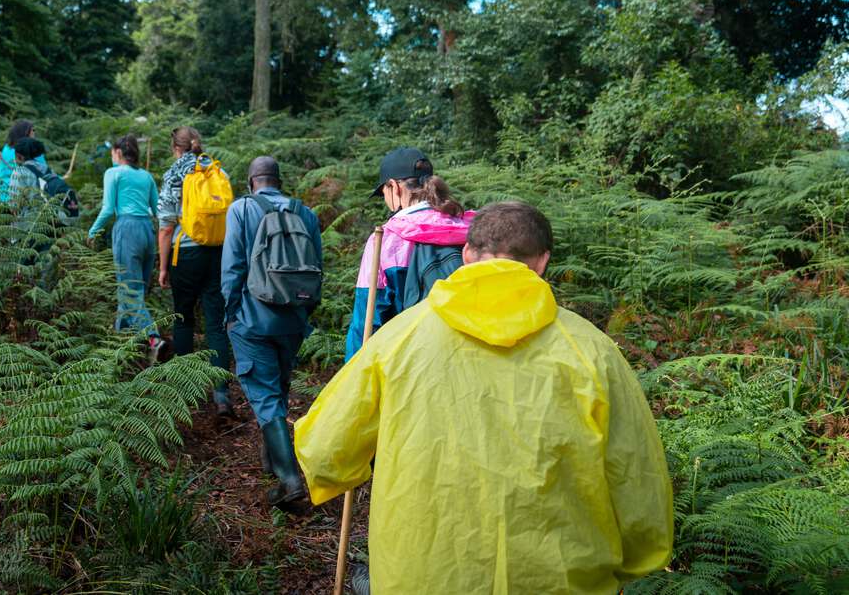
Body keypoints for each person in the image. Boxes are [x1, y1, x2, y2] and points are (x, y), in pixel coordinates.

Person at [294, 202, 674, 595]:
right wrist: (637, 557)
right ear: (542, 262)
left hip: (423, 574)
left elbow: (324, 452)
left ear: (466, 256)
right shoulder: (593, 352)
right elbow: (635, 473)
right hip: (559, 578)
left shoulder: (399, 340)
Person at [221, 156, 323, 511]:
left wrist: (230, 314)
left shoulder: (242, 210)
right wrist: (303, 312)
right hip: (292, 319)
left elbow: (233, 266)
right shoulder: (305, 213)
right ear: (280, 180)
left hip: (254, 320)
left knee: (264, 395)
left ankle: (290, 479)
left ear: (251, 182)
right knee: (278, 386)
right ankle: (270, 461)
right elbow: (318, 269)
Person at [345, 148, 474, 362]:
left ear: (393, 187)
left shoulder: (385, 239)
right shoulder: (470, 229)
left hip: (412, 362)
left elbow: (367, 319)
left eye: (383, 192)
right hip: (468, 356)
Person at [157, 126, 234, 416]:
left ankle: (185, 390)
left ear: (175, 148)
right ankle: (222, 394)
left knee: (184, 318)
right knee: (216, 324)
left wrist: (163, 267)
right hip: (217, 253)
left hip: (184, 254)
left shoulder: (173, 175)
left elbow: (166, 227)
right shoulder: (218, 171)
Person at [88, 134, 167, 359]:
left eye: (113, 153)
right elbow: (157, 211)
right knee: (134, 288)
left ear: (119, 153)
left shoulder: (113, 173)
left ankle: (153, 338)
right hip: (147, 232)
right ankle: (120, 344)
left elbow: (108, 209)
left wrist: (93, 231)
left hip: (127, 229)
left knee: (130, 290)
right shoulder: (146, 177)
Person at [0, 119, 46, 202]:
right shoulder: (33, 149)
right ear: (25, 132)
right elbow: (43, 172)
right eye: (33, 130)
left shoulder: (7, 148)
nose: (34, 132)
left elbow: (1, 174)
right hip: (28, 197)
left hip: (6, 196)